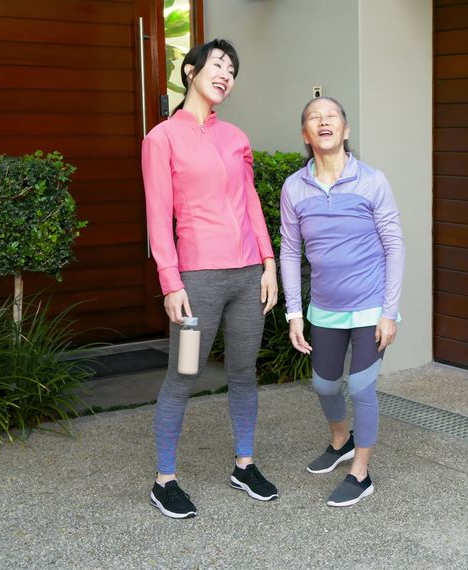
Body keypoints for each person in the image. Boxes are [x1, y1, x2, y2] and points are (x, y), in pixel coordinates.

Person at [141, 39, 279, 519]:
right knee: (183, 375)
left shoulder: (236, 137)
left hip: (246, 278)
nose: (225, 74)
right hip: (197, 281)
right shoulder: (161, 138)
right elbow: (158, 216)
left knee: (243, 372)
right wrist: (170, 281)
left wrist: (268, 262)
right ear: (190, 70)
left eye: (232, 70)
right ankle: (165, 479)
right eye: (218, 64)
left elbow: (251, 203)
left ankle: (244, 464)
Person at [280, 96, 405, 507]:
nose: (324, 121)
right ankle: (341, 440)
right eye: (314, 117)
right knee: (324, 384)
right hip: (325, 308)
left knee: (361, 386)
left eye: (331, 115)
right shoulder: (295, 187)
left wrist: (389, 312)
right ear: (306, 134)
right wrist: (294, 313)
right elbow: (289, 251)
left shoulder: (372, 181)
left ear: (345, 129)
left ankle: (360, 473)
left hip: (370, 305)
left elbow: (394, 246)